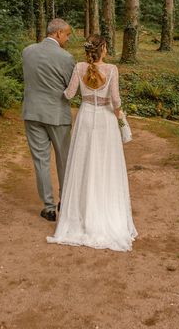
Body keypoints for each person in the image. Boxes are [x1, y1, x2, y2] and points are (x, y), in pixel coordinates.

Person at [47, 34, 138, 252]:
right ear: (103, 49)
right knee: (106, 166)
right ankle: (104, 212)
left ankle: (81, 214)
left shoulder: (79, 67)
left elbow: (68, 94)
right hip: (105, 120)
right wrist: (122, 120)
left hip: (86, 118)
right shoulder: (112, 70)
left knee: (84, 163)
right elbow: (115, 101)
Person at [22, 18, 75, 222]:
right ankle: (65, 200)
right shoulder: (66, 58)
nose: (68, 38)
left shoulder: (27, 52)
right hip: (57, 114)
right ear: (58, 33)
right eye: (67, 34)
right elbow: (71, 89)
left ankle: (49, 207)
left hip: (33, 113)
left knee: (40, 161)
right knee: (64, 159)